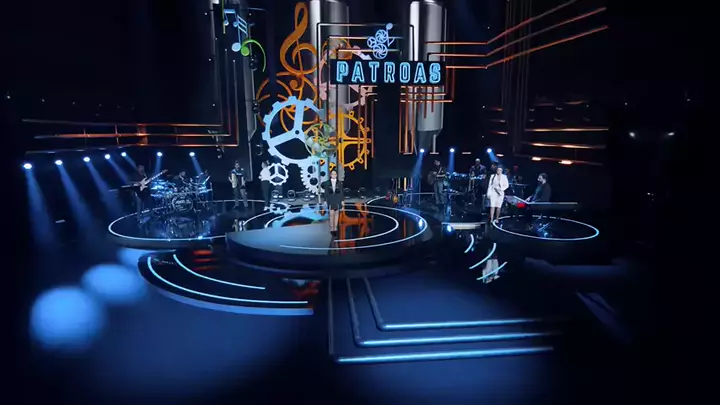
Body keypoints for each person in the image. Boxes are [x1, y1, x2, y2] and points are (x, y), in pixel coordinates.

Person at [322, 169, 344, 234]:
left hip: (337, 199)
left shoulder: (340, 183)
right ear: (330, 175)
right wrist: (325, 200)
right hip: (330, 199)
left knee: (337, 213)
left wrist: (342, 200)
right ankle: (332, 228)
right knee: (331, 214)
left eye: (335, 174)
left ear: (336, 175)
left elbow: (341, 192)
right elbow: (326, 192)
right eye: (332, 174)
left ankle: (335, 228)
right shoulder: (327, 183)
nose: (334, 175)